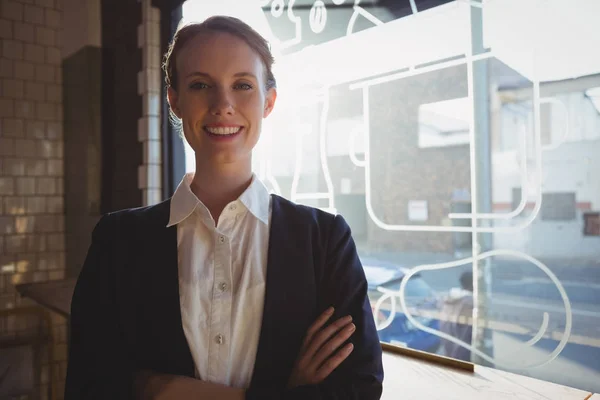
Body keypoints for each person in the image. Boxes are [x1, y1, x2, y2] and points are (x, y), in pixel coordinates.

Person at [64, 15, 383, 400]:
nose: (223, 104)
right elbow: (89, 384)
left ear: (269, 102)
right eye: (200, 85)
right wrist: (287, 391)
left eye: (242, 85)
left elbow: (358, 388)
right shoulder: (118, 240)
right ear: (175, 100)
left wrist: (164, 389)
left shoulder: (325, 239)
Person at [439, 271, 474, 362]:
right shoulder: (469, 304)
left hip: (448, 352)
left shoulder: (449, 300)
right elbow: (466, 335)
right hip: (462, 357)